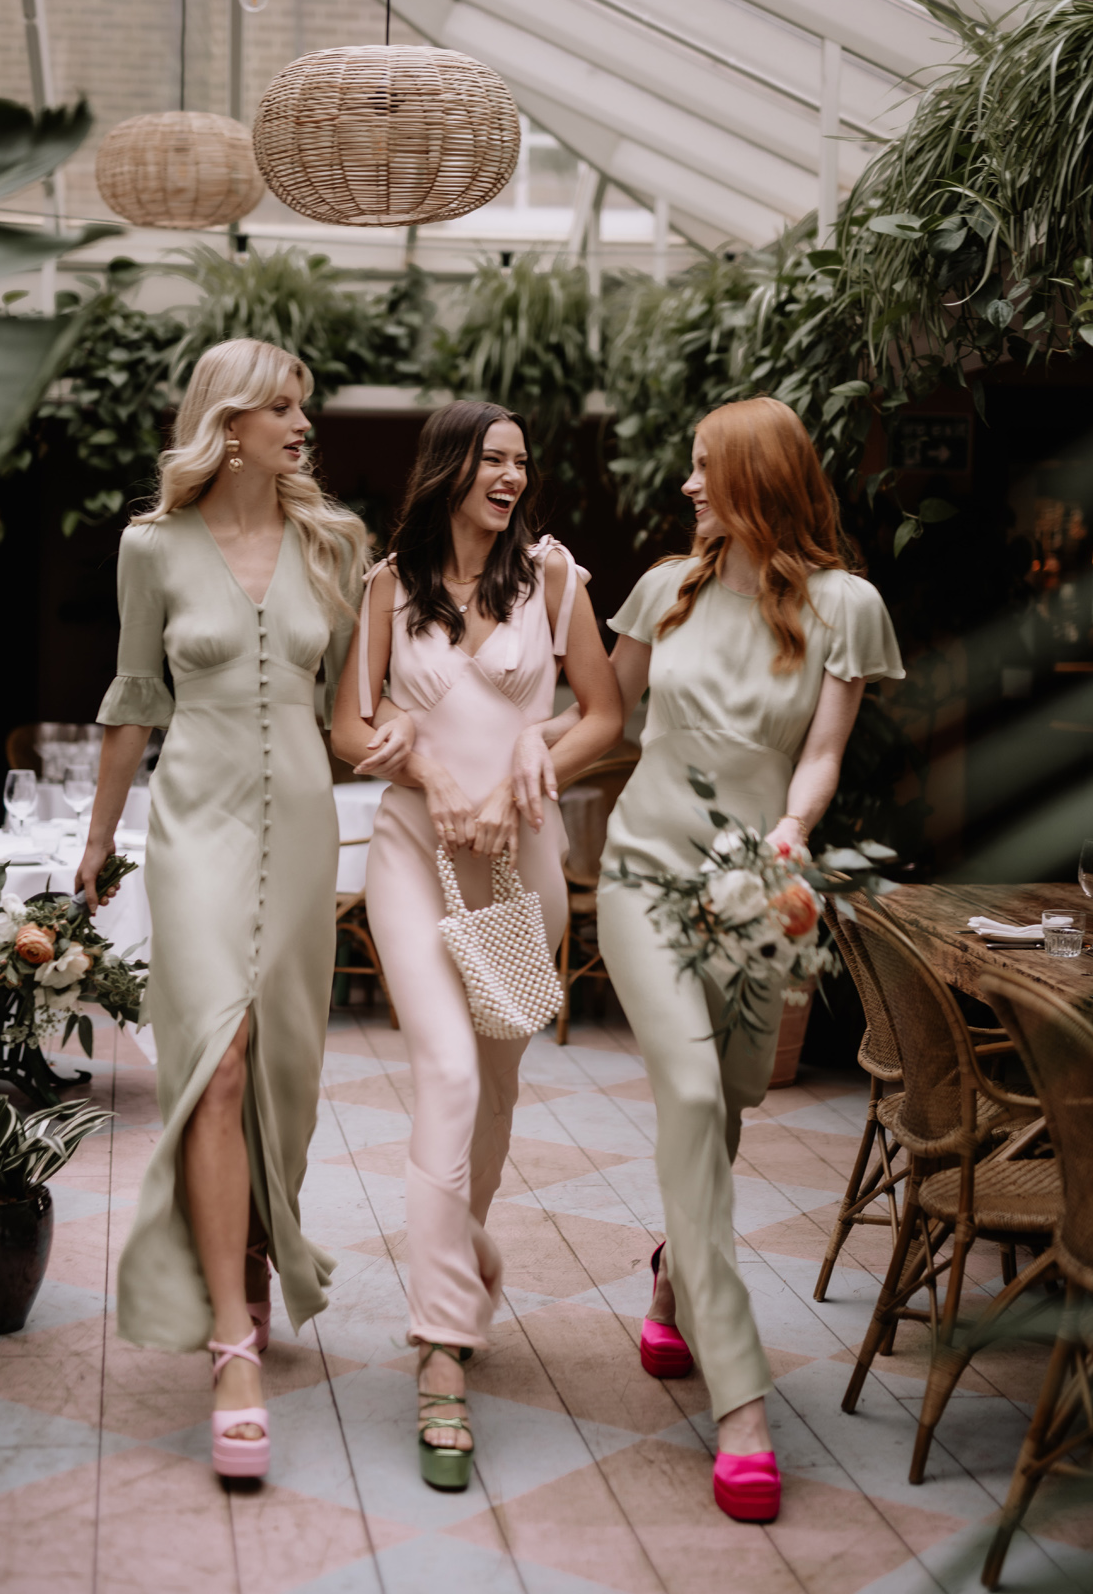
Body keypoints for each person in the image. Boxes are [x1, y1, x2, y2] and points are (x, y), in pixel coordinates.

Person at [513, 397, 903, 1523]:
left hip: (757, 884)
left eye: (701, 469)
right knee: (687, 1087)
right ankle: (742, 1403)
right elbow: (602, 716)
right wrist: (491, 752)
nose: (686, 488)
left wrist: (794, 832)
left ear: (757, 479)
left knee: (728, 1100)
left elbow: (821, 754)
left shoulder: (846, 607)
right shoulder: (661, 592)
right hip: (644, 867)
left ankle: (676, 1273)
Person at [77, 339, 410, 1481]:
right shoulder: (152, 547)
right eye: (282, 407)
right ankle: (230, 1344)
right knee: (214, 1063)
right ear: (227, 422)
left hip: (307, 830)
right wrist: (97, 841)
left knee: (284, 1071)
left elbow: (357, 712)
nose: (302, 424)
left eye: (301, 407)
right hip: (196, 829)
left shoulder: (337, 547)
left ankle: (256, 1243)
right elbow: (131, 701)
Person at [331, 401, 621, 1491]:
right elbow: (351, 730)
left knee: (492, 1097)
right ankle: (442, 1351)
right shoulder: (385, 586)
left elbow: (602, 713)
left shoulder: (553, 582)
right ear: (451, 468)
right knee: (446, 1072)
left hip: (521, 869)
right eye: (493, 459)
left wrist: (538, 759)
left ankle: (464, 1250)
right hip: (414, 859)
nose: (512, 475)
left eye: (521, 462)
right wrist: (436, 773)